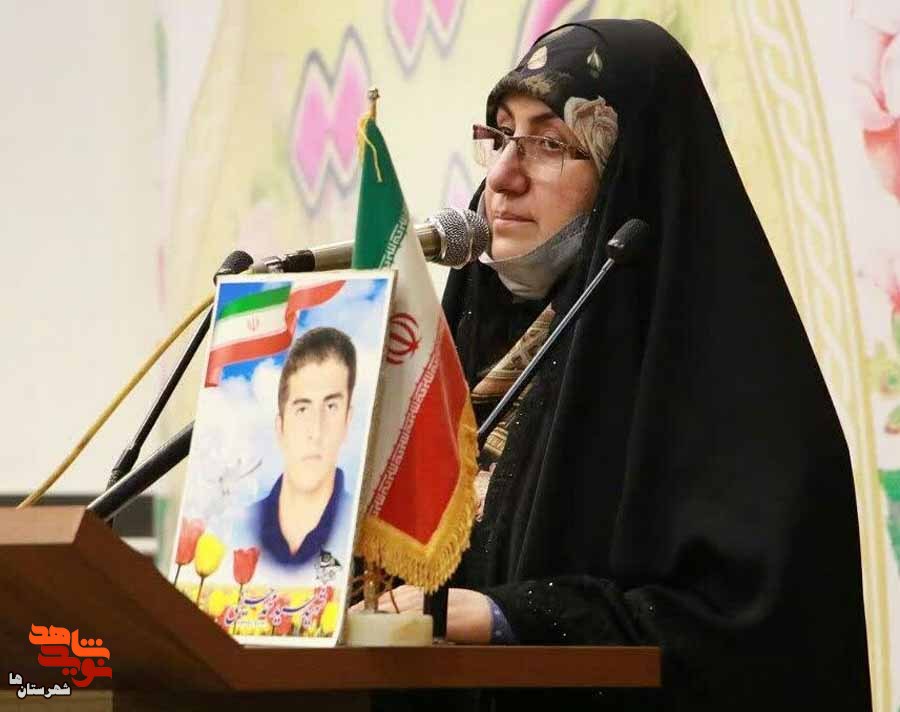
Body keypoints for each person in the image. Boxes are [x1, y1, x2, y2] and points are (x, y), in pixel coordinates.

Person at [375, 19, 872, 710]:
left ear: (630, 179)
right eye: (500, 136)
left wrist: (512, 617)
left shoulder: (741, 398)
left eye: (550, 144)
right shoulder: (471, 340)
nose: (502, 178)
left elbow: (754, 637)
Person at [251, 326, 356, 568]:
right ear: (280, 427)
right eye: (302, 409)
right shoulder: (234, 527)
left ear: (347, 422)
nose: (316, 432)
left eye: (331, 407)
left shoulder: (370, 533)